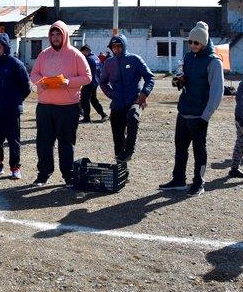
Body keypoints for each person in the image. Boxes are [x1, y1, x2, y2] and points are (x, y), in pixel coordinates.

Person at [160, 21, 224, 197]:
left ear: (204, 42)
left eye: (197, 42)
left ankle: (198, 182)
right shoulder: (188, 57)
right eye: (190, 42)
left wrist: (206, 117)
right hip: (184, 111)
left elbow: (217, 92)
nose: (193, 45)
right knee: (180, 148)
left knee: (199, 150)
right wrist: (178, 81)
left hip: (199, 115)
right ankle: (178, 179)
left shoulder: (213, 62)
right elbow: (184, 79)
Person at [29, 21, 91, 186]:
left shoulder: (76, 54)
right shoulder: (44, 54)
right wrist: (40, 81)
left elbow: (87, 77)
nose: (55, 38)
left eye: (58, 34)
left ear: (65, 35)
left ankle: (68, 175)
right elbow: (34, 74)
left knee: (66, 143)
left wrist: (69, 82)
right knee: (44, 142)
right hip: (45, 106)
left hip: (68, 107)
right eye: (52, 34)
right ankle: (43, 173)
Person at [98, 34, 154, 162]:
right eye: (114, 47)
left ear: (124, 46)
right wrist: (111, 94)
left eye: (119, 46)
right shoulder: (109, 63)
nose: (116, 49)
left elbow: (149, 77)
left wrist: (144, 94)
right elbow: (102, 82)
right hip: (117, 104)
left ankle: (129, 151)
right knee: (118, 138)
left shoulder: (134, 60)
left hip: (135, 100)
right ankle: (121, 171)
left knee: (132, 117)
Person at [0, 32, 31, 179]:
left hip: (11, 110)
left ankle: (15, 168)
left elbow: (26, 87)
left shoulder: (16, 64)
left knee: (13, 140)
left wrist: (15, 100)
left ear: (5, 48)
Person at [79, 44, 107, 123]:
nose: (81, 55)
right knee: (93, 99)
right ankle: (103, 114)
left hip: (89, 82)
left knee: (85, 100)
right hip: (95, 81)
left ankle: (87, 118)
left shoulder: (88, 59)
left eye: (82, 53)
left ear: (86, 51)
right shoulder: (96, 57)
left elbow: (85, 72)